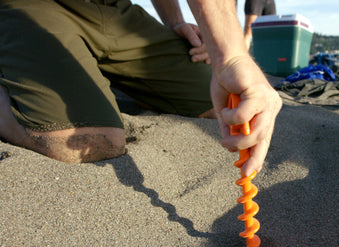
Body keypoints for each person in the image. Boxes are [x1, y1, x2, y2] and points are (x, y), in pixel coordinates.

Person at [0, 0, 281, 177]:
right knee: (90, 142)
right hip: (29, 7)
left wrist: (227, 55)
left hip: (115, 10)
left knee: (213, 101)